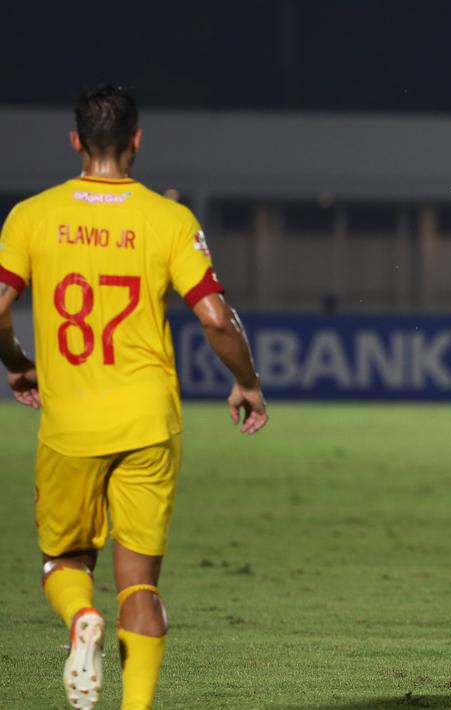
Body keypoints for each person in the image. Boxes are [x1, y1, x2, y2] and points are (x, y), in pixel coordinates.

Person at [0, 85, 268, 709]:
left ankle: (78, 621)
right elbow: (216, 318)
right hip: (149, 422)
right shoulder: (167, 220)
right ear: (136, 140)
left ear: (75, 142)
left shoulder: (31, 216)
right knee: (139, 585)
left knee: (62, 561)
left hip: (70, 427)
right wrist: (247, 381)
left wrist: (17, 364)